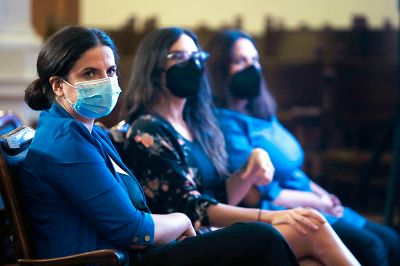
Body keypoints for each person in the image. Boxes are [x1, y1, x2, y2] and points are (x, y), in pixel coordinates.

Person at [19, 25, 304, 266]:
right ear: (58, 85)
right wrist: (179, 221)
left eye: (111, 70)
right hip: (108, 259)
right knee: (262, 238)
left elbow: (133, 213)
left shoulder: (88, 131)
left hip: (130, 253)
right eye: (90, 74)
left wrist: (169, 226)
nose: (105, 82)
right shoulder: (66, 143)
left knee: (274, 243)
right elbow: (131, 229)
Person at [120, 26, 360, 266]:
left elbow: (221, 196)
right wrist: (273, 216)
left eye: (196, 58)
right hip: (186, 242)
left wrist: (250, 169)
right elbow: (192, 208)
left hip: (214, 231)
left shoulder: (198, 123)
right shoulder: (148, 130)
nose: (191, 65)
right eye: (179, 57)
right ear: (153, 66)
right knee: (312, 228)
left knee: (312, 262)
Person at [206, 29, 400, 266]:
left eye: (254, 60)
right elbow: (257, 194)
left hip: (311, 199)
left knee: (392, 239)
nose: (251, 67)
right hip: (286, 210)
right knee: (373, 245)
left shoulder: (261, 112)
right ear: (219, 70)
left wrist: (322, 194)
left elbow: (293, 170)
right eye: (240, 61)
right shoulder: (225, 123)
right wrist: (317, 202)